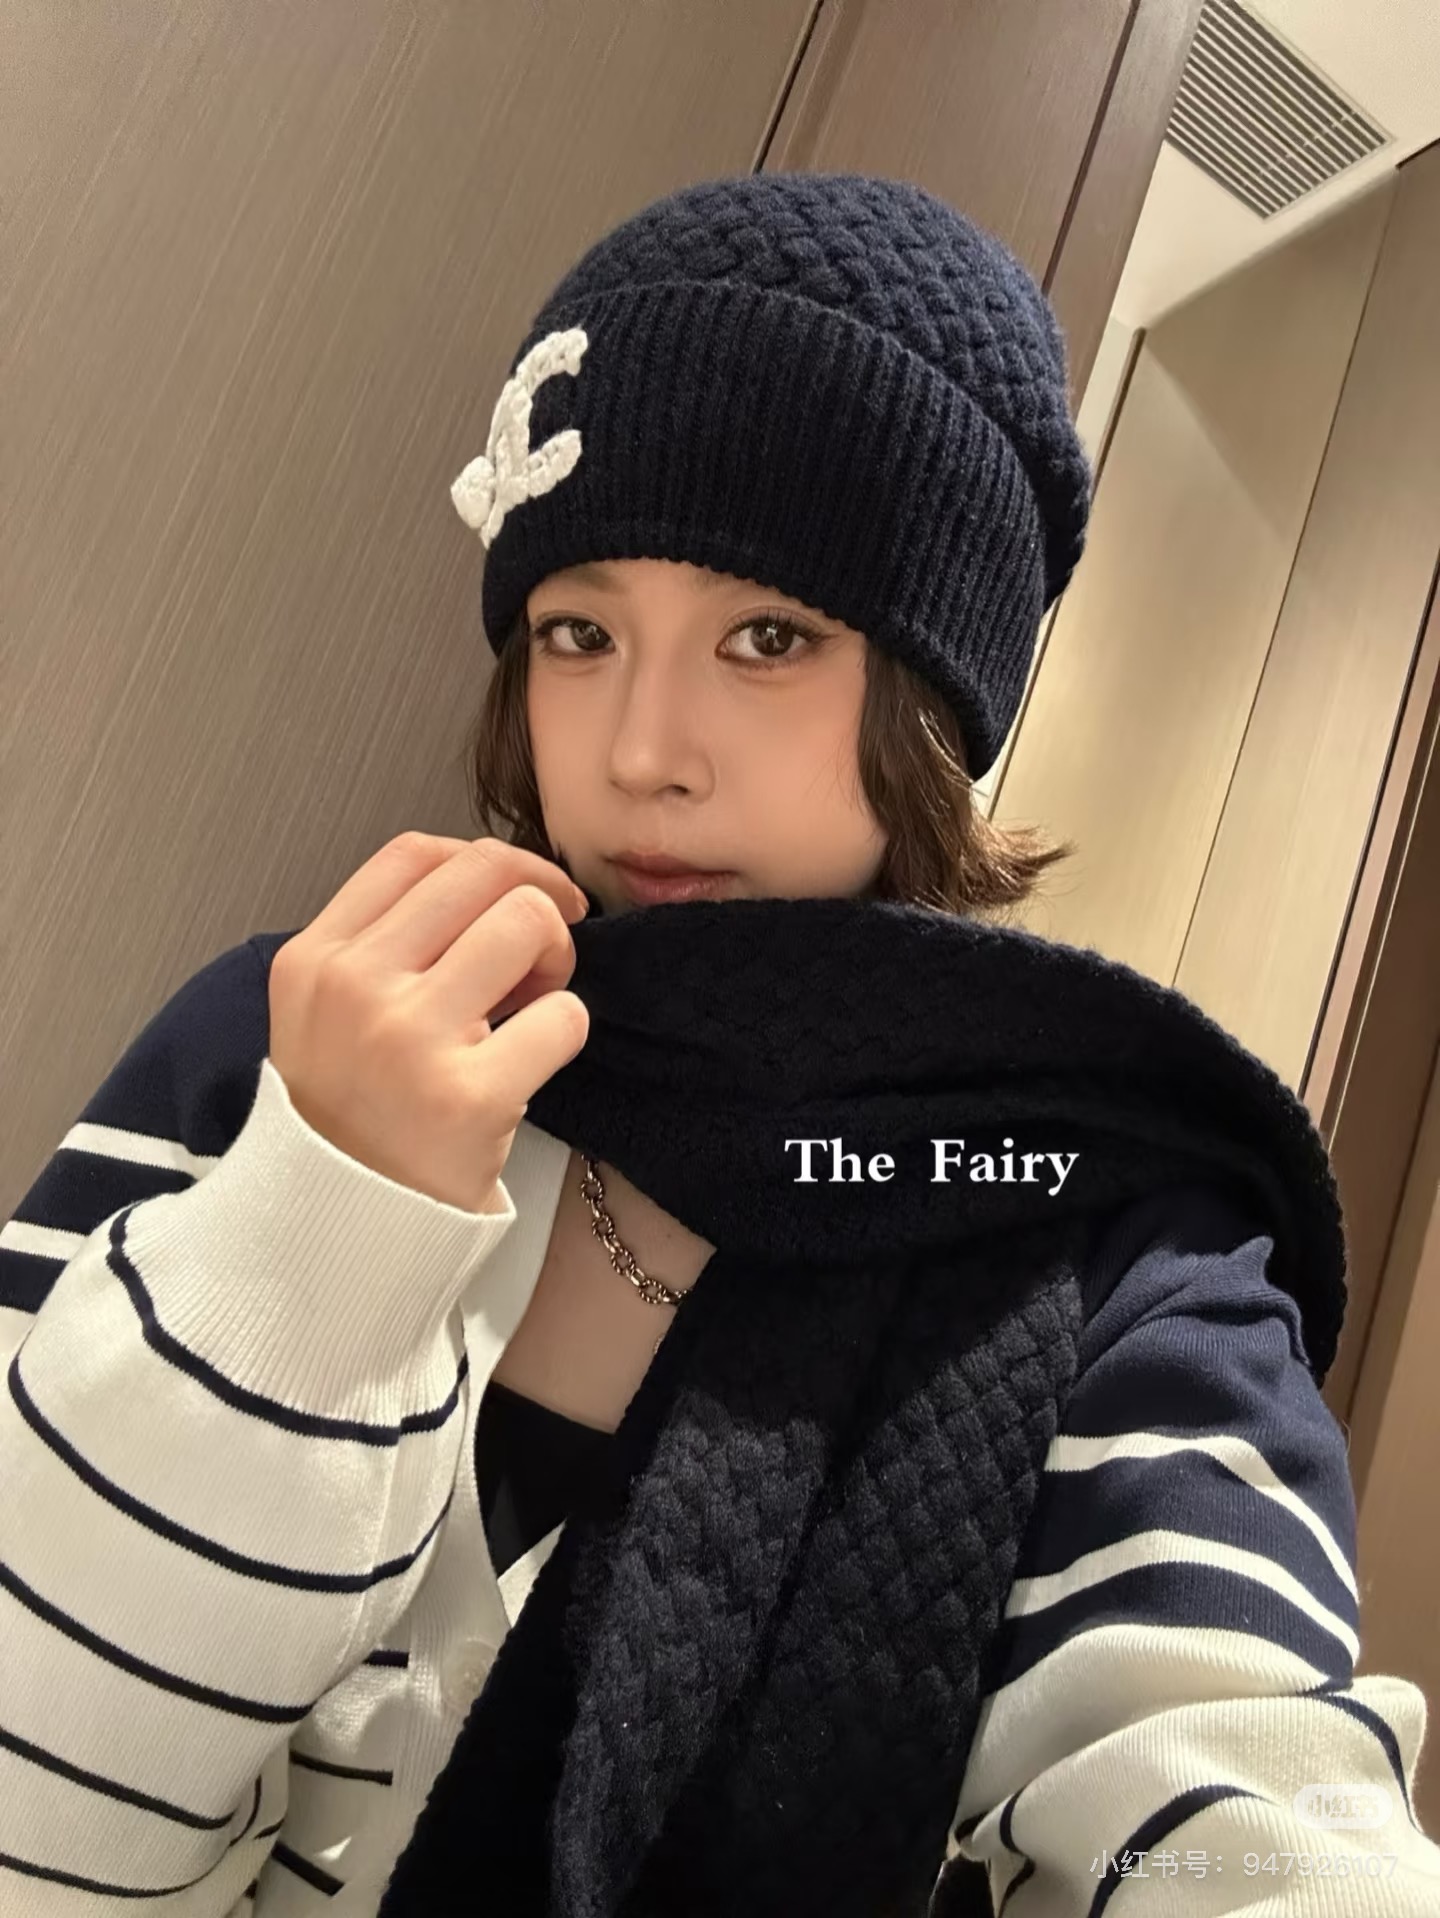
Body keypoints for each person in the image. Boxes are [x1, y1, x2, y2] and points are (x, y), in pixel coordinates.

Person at [0, 172, 1436, 1918]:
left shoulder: (1108, 1231)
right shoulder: (292, 1044)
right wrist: (316, 1229)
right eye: (578, 631)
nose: (641, 749)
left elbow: (1233, 1799)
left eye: (769, 636)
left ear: (936, 697)